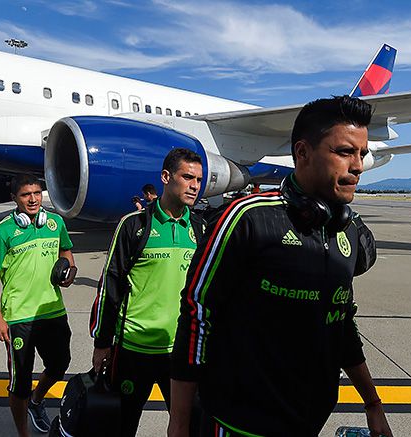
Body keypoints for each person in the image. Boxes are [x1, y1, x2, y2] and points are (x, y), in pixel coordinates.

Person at [168, 96, 392, 437]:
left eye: (361, 154)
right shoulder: (245, 219)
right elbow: (197, 314)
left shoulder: (342, 229)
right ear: (302, 153)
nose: (358, 165)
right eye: (345, 152)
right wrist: (179, 424)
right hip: (238, 424)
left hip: (308, 422)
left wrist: (373, 404)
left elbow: (341, 324)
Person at [90, 148, 205, 437]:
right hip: (133, 348)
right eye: (187, 177)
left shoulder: (201, 227)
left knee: (189, 427)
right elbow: (111, 286)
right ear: (166, 177)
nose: (194, 185)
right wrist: (102, 341)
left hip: (181, 350)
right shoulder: (134, 225)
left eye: (199, 179)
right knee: (121, 427)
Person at [0, 174, 77, 436]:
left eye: (36, 193)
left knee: (60, 365)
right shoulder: (2, 231)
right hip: (18, 317)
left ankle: (36, 400)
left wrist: (70, 270)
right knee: (20, 382)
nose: (33, 199)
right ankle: (23, 432)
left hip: (52, 310)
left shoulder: (55, 223)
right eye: (25, 195)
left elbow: (66, 251)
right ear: (15, 199)